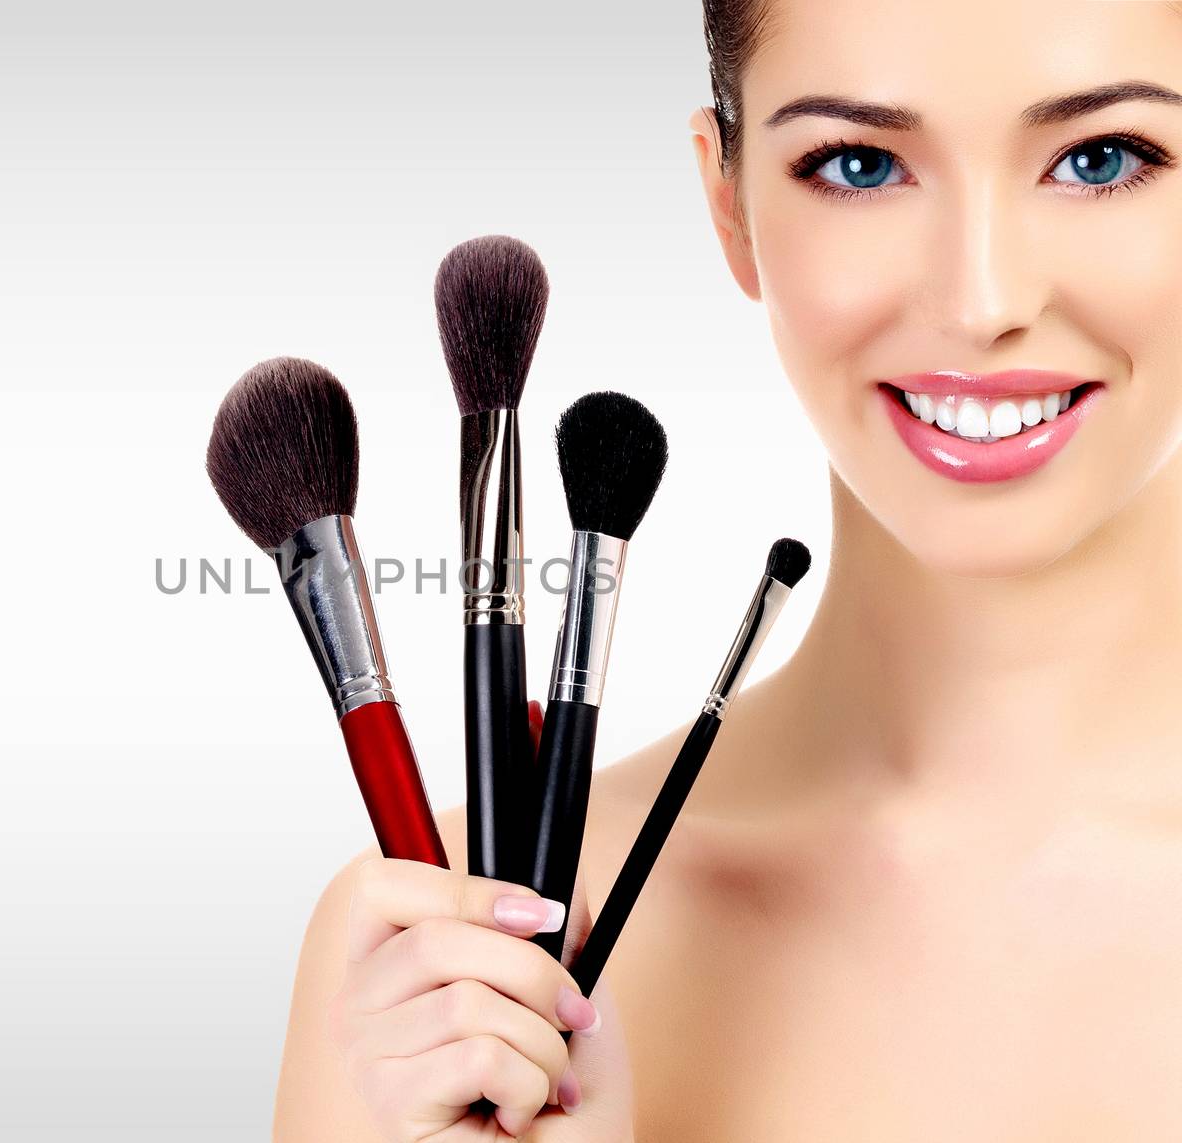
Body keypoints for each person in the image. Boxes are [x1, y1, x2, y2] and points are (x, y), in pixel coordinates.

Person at [274, 1, 1182, 1138]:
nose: (982, 302)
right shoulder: (442, 967)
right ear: (728, 202)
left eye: (1099, 159)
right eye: (859, 164)